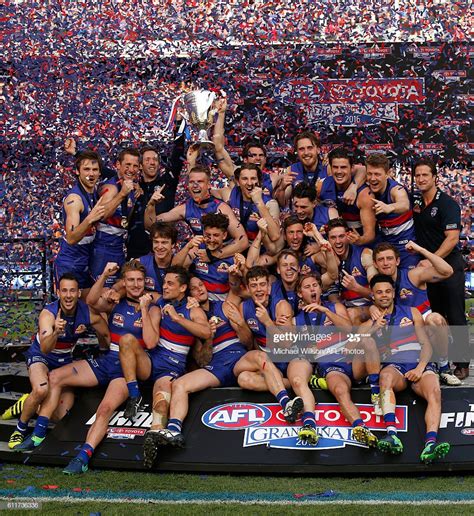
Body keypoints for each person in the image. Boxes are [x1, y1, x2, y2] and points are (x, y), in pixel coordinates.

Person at [15, 260, 147, 477]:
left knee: (104, 410)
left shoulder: (153, 303)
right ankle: (37, 434)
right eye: (130, 280)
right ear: (123, 282)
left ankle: (83, 457)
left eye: (139, 280)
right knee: (55, 377)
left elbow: (148, 341)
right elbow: (96, 307)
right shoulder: (113, 303)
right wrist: (104, 276)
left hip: (126, 369)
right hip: (106, 361)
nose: (135, 284)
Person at [116, 266, 211, 468]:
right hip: (151, 360)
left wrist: (178, 318)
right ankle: (135, 395)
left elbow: (205, 332)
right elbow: (150, 343)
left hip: (171, 367)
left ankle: (154, 437)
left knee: (161, 400)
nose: (165, 286)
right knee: (126, 340)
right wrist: (145, 308)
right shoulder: (159, 302)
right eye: (164, 282)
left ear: (183, 288)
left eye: (170, 283)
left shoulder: (193, 309)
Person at [7, 273, 109, 449]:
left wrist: (106, 350)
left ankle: (26, 402)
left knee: (61, 415)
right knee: (41, 390)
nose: (68, 295)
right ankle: (20, 429)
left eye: (72, 291)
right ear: (58, 292)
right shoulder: (48, 314)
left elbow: (106, 333)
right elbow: (45, 348)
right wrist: (55, 332)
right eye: (64, 291)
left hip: (64, 360)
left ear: (78, 293)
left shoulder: (87, 312)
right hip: (42, 356)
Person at [360, 274, 450, 464]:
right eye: (379, 292)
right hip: (394, 366)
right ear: (373, 296)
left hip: (418, 363)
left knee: (434, 390)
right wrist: (374, 329)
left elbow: (426, 344)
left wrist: (420, 368)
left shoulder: (412, 312)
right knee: (385, 378)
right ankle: (392, 435)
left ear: (393, 293)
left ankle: (430, 444)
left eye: (387, 291)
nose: (384, 295)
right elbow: (353, 346)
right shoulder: (369, 323)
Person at [150, 277, 249, 448]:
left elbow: (248, 343)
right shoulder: (192, 321)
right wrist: (209, 338)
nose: (200, 290)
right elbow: (203, 361)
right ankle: (174, 430)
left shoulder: (223, 306)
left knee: (262, 359)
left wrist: (241, 324)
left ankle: (289, 399)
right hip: (217, 368)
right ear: (190, 295)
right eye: (194, 288)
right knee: (179, 384)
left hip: (241, 359)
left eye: (202, 285)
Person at [298, 273, 380, 447]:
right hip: (331, 365)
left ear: (321, 289)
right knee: (341, 391)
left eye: (315, 285)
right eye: (307, 287)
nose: (313, 289)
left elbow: (350, 330)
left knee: (368, 340)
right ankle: (360, 427)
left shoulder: (335, 307)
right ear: (299, 294)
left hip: (351, 357)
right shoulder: (296, 319)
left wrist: (326, 311)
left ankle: (375, 391)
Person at [412, 157, 470, 380]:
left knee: (455, 314)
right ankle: (438, 361)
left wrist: (431, 259)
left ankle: (462, 363)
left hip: (449, 266)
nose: (421, 179)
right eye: (417, 175)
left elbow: (452, 239)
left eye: (425, 174)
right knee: (434, 315)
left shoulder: (447, 204)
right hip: (428, 270)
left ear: (435, 177)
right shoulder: (416, 204)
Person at [372, 241, 460, 385]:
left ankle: (444, 367)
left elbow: (447, 271)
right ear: (375, 264)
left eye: (389, 258)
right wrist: (371, 307)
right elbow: (368, 298)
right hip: (401, 333)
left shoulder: (413, 275)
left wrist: (421, 249)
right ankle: (373, 372)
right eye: (381, 259)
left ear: (398, 260)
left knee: (435, 319)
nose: (386, 263)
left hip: (424, 327)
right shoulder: (378, 283)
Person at [232, 267, 304, 423]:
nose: (258, 289)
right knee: (243, 378)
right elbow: (247, 343)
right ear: (248, 288)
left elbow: (287, 343)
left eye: (262, 284)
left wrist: (267, 322)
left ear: (269, 287)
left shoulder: (281, 305)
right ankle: (288, 393)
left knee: (260, 358)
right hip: (264, 360)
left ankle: (285, 401)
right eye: (254, 285)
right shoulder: (244, 307)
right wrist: (241, 325)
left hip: (286, 360)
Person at [145, 165, 249, 258]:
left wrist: (213, 255)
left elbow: (243, 241)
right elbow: (151, 225)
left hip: (224, 257)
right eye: (191, 182)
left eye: (200, 181)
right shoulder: (186, 208)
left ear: (208, 185)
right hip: (202, 255)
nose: (195, 185)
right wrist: (151, 204)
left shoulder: (221, 208)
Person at [53, 150, 106, 295]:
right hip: (71, 262)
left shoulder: (94, 193)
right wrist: (90, 219)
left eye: (95, 170)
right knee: (67, 308)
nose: (91, 173)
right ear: (77, 172)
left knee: (91, 306)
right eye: (86, 169)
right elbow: (71, 238)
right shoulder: (75, 199)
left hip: (86, 260)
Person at [89, 148, 141, 287]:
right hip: (103, 249)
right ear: (118, 165)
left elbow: (125, 221)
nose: (131, 169)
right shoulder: (111, 188)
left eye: (135, 166)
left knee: (116, 292)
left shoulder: (130, 188)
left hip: (119, 248)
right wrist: (122, 195)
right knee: (100, 292)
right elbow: (102, 215)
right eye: (127, 165)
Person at [126, 138, 185, 259]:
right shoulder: (132, 188)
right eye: (148, 160)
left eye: (155, 160)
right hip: (135, 250)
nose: (152, 163)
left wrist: (178, 124)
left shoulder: (167, 183)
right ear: (140, 166)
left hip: (161, 250)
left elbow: (177, 157)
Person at [365, 153, 419, 268]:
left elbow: (404, 204)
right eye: (369, 174)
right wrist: (353, 188)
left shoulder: (396, 190)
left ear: (387, 174)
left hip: (405, 247)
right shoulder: (368, 188)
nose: (372, 178)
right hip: (384, 246)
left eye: (377, 174)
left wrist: (390, 207)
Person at [212, 163, 281, 243]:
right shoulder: (230, 194)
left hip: (258, 249)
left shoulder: (269, 203)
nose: (249, 183)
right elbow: (207, 192)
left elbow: (275, 236)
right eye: (245, 179)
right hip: (236, 245)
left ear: (259, 181)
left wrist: (259, 202)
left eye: (253, 178)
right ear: (238, 181)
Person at [320, 147, 376, 246]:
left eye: (343, 167)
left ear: (352, 168)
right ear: (330, 168)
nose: (339, 171)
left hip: (359, 246)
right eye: (335, 167)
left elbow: (370, 235)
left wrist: (359, 240)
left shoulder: (364, 195)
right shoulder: (322, 186)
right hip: (334, 243)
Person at [173, 213, 235, 301]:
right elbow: (174, 268)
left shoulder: (231, 256)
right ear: (203, 233)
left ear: (224, 235)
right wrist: (188, 246)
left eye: (216, 235)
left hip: (221, 304)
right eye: (208, 235)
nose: (212, 240)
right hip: (196, 301)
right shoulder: (196, 249)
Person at [326, 218, 377, 324]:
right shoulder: (327, 260)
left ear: (348, 236)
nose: (338, 241)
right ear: (328, 240)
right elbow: (332, 295)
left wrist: (356, 288)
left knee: (351, 314)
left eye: (341, 236)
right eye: (333, 238)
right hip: (346, 309)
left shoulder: (365, 255)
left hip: (371, 307)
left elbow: (377, 294)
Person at [138, 222, 177, 296]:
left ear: (173, 244)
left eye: (164, 242)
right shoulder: (141, 263)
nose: (159, 247)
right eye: (156, 242)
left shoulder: (181, 262)